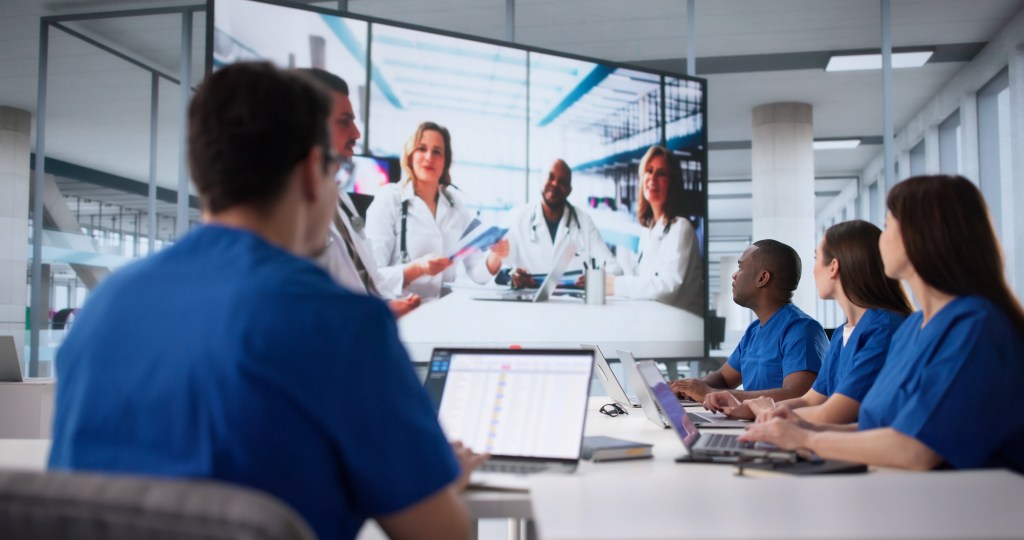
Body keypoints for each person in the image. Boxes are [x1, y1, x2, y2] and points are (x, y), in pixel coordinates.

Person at [47, 62, 481, 539]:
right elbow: (441, 533)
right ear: (311, 176)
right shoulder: (341, 326)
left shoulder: (105, 309)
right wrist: (442, 479)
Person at [740, 175, 1024, 472]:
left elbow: (916, 449)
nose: (881, 239)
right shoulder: (914, 329)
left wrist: (805, 438)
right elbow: (879, 427)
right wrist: (796, 428)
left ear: (921, 235)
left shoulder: (974, 326)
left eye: (888, 227)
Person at [717, 220, 912, 422]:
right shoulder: (841, 334)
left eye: (817, 258)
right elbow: (812, 400)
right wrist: (748, 408)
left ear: (833, 267)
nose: (813, 270)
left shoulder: (882, 329)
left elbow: (833, 413)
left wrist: (766, 415)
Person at [301, 68, 420, 317]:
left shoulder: (341, 200)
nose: (356, 133)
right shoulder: (287, 212)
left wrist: (385, 306)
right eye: (344, 121)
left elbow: (367, 277)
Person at [671, 239, 827, 405]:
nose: (734, 275)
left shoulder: (802, 330)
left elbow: (798, 394)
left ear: (762, 278)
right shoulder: (754, 329)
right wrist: (684, 387)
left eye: (741, 267)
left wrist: (711, 394)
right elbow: (723, 378)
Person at [364, 121, 509, 300]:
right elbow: (371, 276)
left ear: (445, 161)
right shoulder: (389, 198)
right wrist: (418, 268)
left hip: (441, 313)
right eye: (422, 149)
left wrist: (496, 255)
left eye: (437, 151)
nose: (429, 157)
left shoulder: (456, 207)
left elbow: (477, 273)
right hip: (400, 312)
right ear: (410, 155)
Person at [606, 146, 703, 315]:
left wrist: (616, 285)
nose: (652, 178)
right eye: (649, 171)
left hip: (680, 329)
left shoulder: (681, 228)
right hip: (654, 321)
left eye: (661, 173)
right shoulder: (649, 230)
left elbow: (667, 288)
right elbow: (645, 283)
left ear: (672, 183)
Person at [502, 159, 622, 288]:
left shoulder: (584, 222)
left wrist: (595, 280)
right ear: (540, 180)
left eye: (562, 181)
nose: (555, 183)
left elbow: (615, 269)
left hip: (573, 306)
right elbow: (498, 267)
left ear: (569, 190)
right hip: (529, 305)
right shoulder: (517, 218)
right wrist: (512, 278)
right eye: (550, 177)